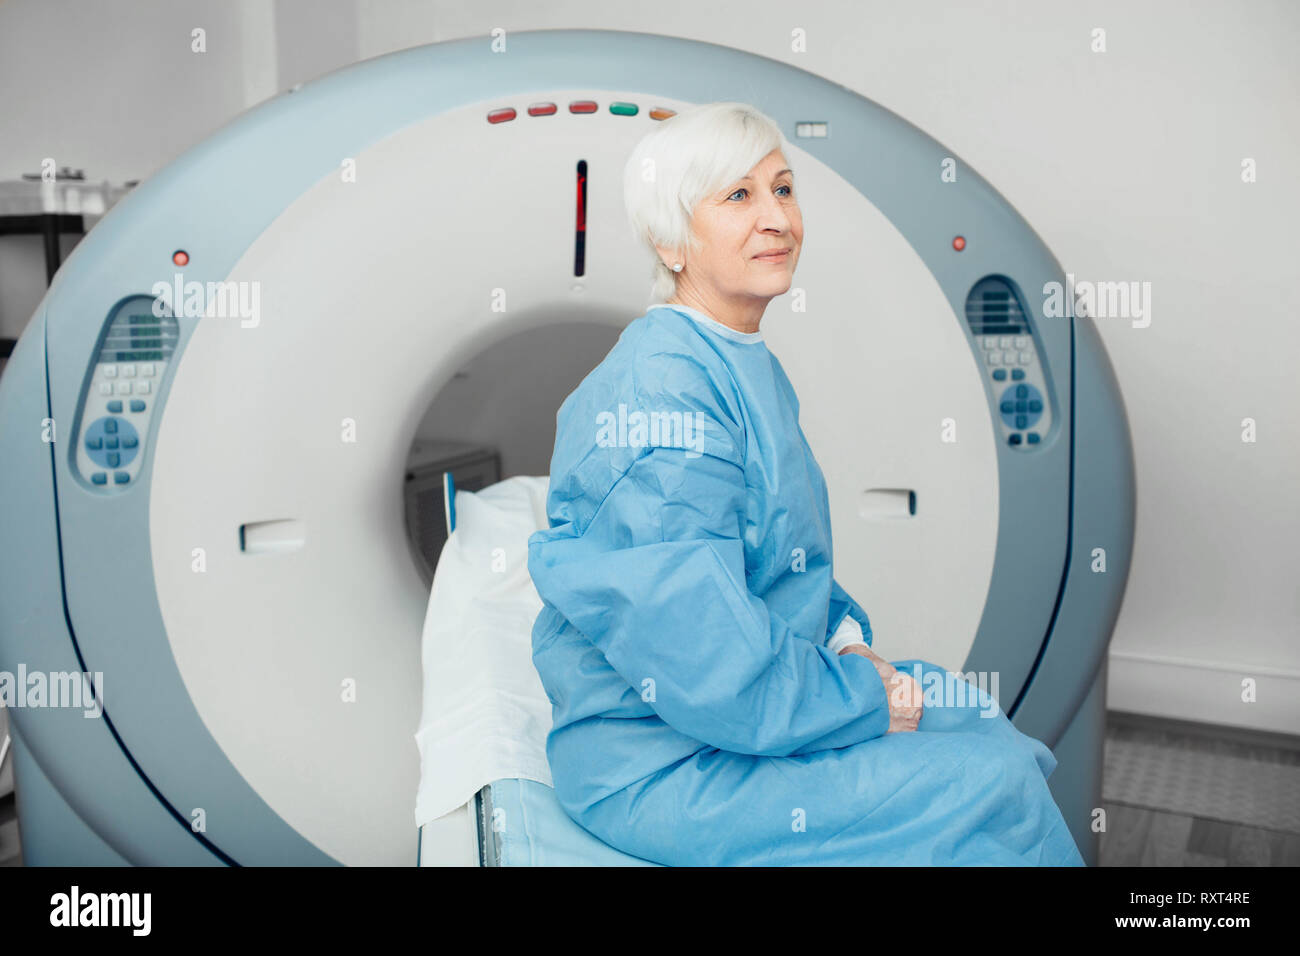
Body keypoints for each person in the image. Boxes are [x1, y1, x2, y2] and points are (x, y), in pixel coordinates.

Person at [526, 102, 1084, 866]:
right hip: (660, 761)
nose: (775, 218)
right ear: (669, 240)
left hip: (747, 711)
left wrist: (848, 645)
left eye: (782, 189)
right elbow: (699, 649)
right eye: (737, 196)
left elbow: (784, 559)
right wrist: (858, 697)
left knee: (973, 717)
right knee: (990, 784)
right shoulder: (658, 391)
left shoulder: (745, 365)